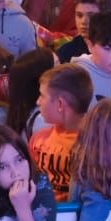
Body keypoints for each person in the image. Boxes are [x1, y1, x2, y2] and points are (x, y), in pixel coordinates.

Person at [27, 64, 92, 201]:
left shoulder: (94, 145)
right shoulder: (38, 139)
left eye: (42, 96)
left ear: (60, 104)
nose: (38, 102)